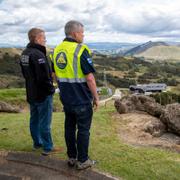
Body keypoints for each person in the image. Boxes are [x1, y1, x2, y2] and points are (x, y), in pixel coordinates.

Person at [51, 20, 99, 170]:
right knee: (83, 130)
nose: (83, 36)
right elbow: (89, 78)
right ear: (75, 33)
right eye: (82, 33)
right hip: (82, 99)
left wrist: (62, 89)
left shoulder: (56, 50)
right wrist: (96, 97)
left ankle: (72, 157)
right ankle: (83, 160)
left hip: (67, 99)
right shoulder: (80, 49)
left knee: (69, 128)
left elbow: (54, 75)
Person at [20, 28, 61, 156]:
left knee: (34, 119)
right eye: (44, 38)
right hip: (42, 94)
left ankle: (37, 143)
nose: (45, 40)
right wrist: (51, 89)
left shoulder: (24, 54)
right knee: (44, 121)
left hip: (31, 92)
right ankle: (48, 147)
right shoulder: (38, 55)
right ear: (37, 39)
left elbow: (25, 74)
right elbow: (43, 77)